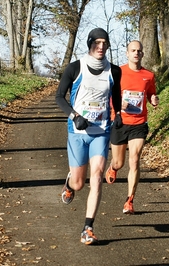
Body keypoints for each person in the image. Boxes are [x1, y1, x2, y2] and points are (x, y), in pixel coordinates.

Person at [55, 28, 122, 245]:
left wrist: (118, 114)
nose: (101, 47)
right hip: (77, 132)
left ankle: (88, 227)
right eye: (98, 42)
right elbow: (59, 97)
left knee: (97, 176)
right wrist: (74, 116)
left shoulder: (114, 71)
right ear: (90, 43)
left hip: (100, 132)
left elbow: (116, 95)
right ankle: (69, 182)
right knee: (78, 184)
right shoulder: (75, 68)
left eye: (105, 43)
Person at [105, 40, 159, 215]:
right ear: (127, 53)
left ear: (143, 54)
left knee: (134, 159)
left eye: (139, 51)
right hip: (120, 121)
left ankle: (129, 200)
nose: (136, 53)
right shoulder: (118, 72)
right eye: (133, 50)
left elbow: (150, 92)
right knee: (119, 163)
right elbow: (108, 95)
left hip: (139, 123)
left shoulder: (148, 75)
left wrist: (153, 99)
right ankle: (113, 167)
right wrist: (119, 105)